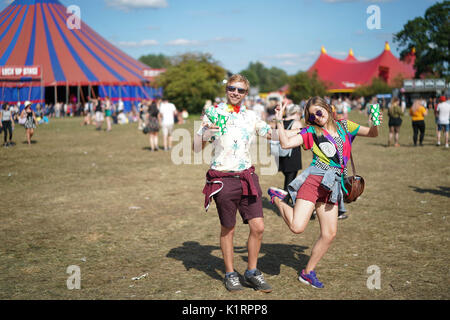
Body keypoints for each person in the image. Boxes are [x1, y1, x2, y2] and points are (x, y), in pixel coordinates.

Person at [267, 96, 382, 289]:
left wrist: (376, 119)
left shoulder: (345, 125)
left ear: (327, 108)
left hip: (334, 185)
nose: (317, 118)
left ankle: (307, 272)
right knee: (297, 227)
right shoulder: (312, 131)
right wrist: (279, 120)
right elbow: (286, 144)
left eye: (319, 112)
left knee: (329, 234)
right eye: (312, 116)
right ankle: (279, 199)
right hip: (314, 181)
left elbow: (372, 133)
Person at [194, 74, 273, 293]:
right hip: (222, 178)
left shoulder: (251, 116)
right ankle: (230, 274)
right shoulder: (214, 113)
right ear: (226, 89)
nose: (235, 93)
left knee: (258, 227)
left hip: (247, 176)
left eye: (240, 90)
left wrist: (297, 127)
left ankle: (251, 272)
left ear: (246, 94)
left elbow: (271, 134)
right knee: (228, 228)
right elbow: (195, 147)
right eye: (232, 88)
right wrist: (206, 132)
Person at [277, 104, 303, 203]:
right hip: (292, 155)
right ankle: (284, 202)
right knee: (290, 182)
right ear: (297, 113)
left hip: (281, 153)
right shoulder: (297, 123)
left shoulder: (280, 122)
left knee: (288, 179)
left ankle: (288, 199)